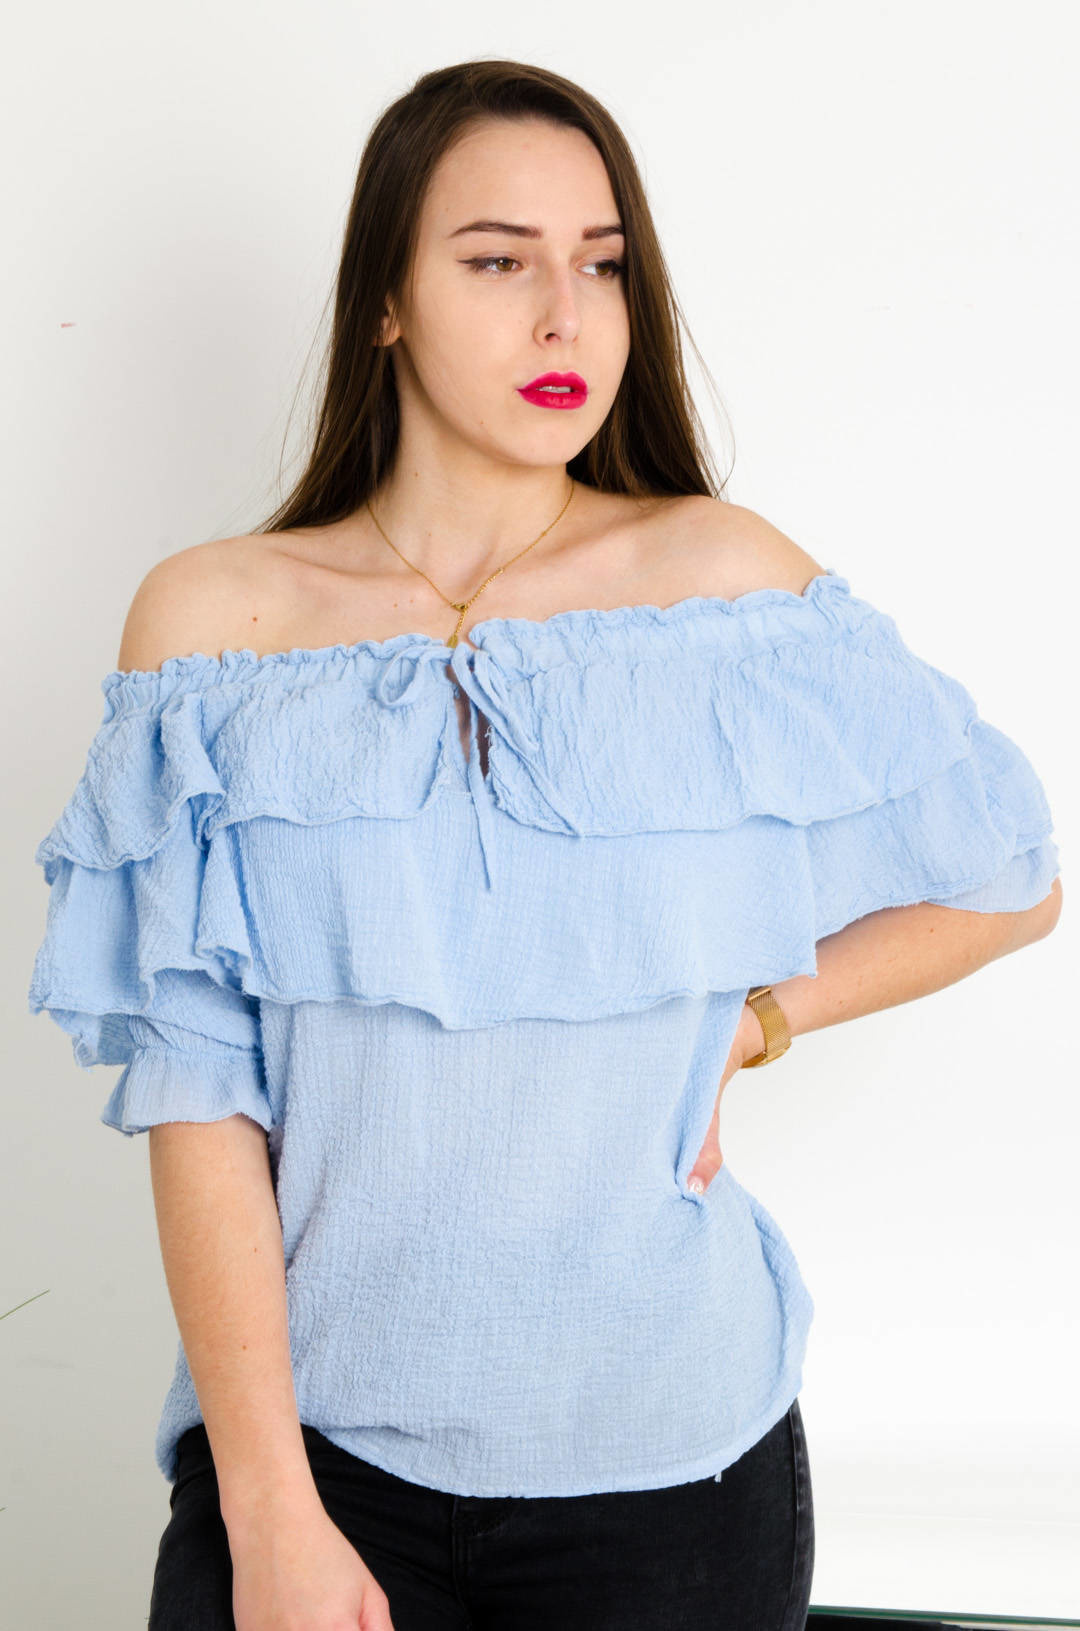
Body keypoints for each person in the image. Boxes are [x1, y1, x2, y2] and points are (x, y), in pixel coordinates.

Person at [27, 58, 1062, 1631]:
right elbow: (199, 1092)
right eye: (500, 262)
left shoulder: (723, 593)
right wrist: (270, 1512)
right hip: (321, 1466)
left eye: (603, 264)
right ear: (386, 300)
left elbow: (1011, 879)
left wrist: (760, 1020)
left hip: (676, 1476)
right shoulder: (215, 629)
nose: (565, 317)